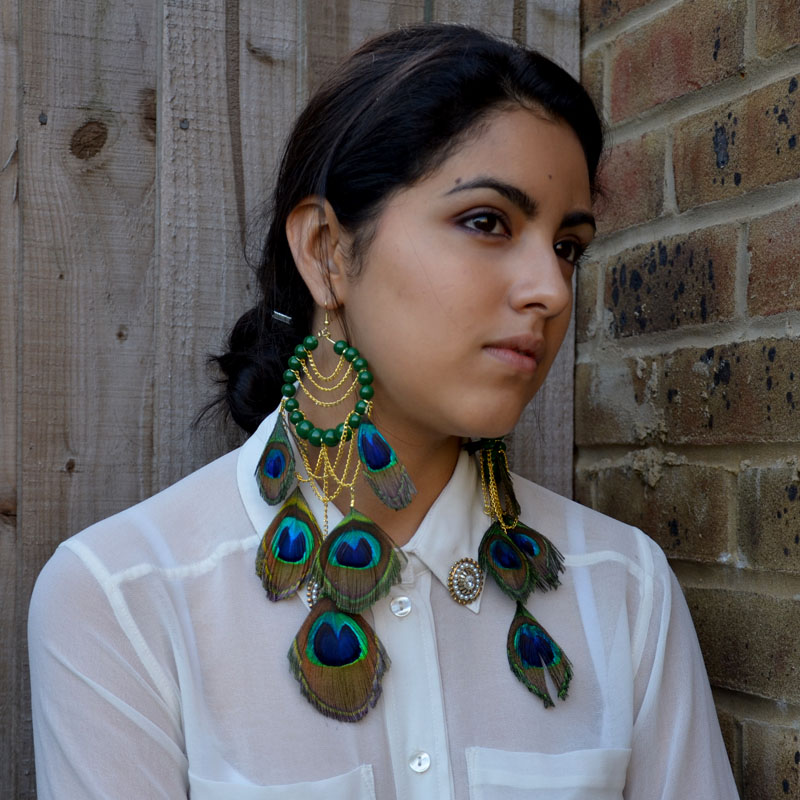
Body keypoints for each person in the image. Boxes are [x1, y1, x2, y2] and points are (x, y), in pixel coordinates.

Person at [28, 23, 738, 800]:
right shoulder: (126, 599)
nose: (552, 290)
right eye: (488, 222)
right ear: (328, 251)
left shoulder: (622, 589)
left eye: (568, 245)